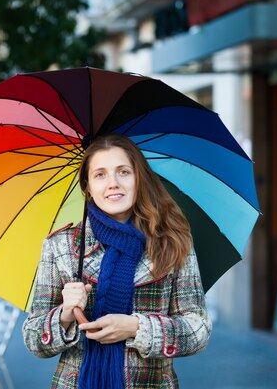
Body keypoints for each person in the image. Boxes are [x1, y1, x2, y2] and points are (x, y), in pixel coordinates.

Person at [23, 134, 211, 389]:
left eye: (123, 172)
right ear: (87, 185)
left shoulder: (174, 240)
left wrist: (136, 327)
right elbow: (34, 340)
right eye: (100, 174)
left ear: (139, 179)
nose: (113, 183)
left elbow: (198, 331)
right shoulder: (61, 246)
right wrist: (65, 315)